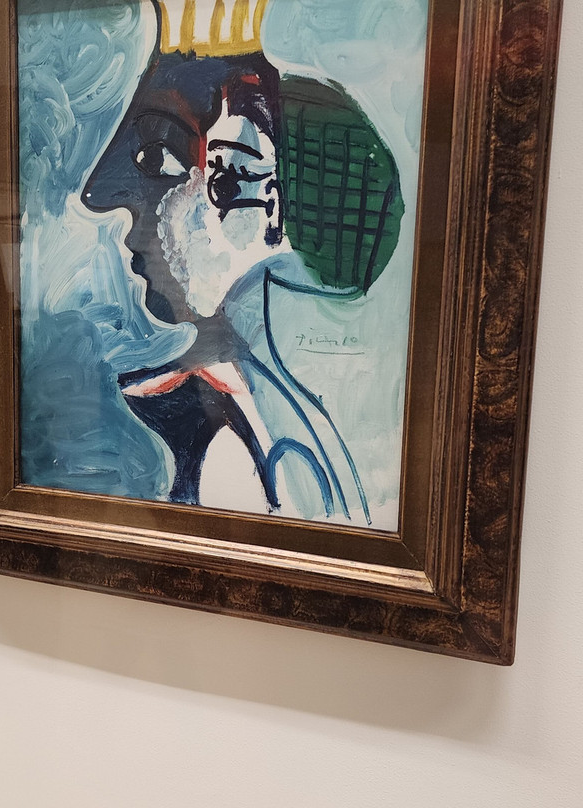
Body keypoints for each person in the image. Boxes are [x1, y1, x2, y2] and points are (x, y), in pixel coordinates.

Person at [81, 0, 371, 521]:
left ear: (276, 211)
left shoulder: (259, 445)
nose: (100, 194)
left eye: (157, 157)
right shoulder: (215, 407)